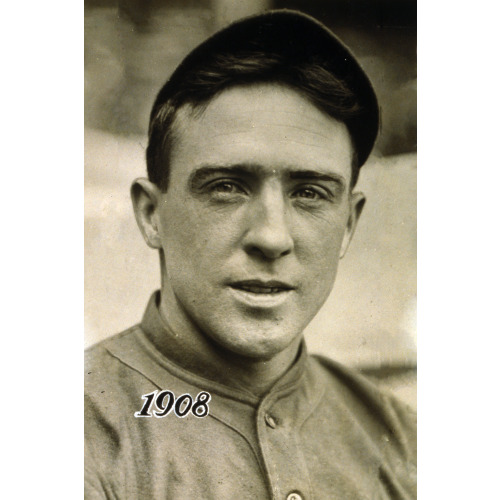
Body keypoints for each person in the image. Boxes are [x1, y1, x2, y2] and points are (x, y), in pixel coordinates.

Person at [85, 9, 416, 499]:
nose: (272, 237)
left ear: (348, 224)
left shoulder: (404, 439)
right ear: (152, 214)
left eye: (309, 193)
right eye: (227, 187)